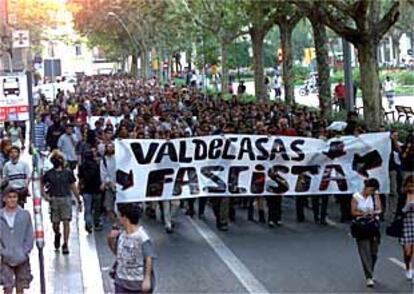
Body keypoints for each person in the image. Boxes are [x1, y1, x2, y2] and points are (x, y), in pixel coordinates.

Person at [107, 203, 156, 294]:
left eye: (119, 217)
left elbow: (149, 258)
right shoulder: (121, 235)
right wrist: (110, 240)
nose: (118, 220)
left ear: (125, 218)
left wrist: (147, 279)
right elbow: (118, 255)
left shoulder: (142, 237)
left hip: (137, 282)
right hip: (121, 281)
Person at [41, 151, 82, 255]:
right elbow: (41, 183)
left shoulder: (68, 173)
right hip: (54, 199)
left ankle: (65, 243)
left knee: (66, 221)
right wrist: (45, 196)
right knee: (55, 223)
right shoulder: (49, 173)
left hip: (66, 198)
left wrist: (78, 199)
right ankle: (57, 234)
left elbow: (73, 186)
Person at [0, 187, 34, 294]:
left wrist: (25, 251)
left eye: (14, 197)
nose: (12, 200)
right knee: (7, 286)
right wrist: (2, 251)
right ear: (4, 199)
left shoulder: (24, 215)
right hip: (5, 257)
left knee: (21, 286)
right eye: (9, 197)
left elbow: (29, 235)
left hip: (22, 256)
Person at [351, 178, 382, 287]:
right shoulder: (356, 197)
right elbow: (353, 211)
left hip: (373, 226)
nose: (372, 192)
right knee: (365, 252)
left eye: (374, 190)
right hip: (361, 227)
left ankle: (370, 270)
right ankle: (368, 276)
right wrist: (363, 214)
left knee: (374, 252)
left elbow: (379, 209)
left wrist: (373, 212)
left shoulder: (374, 196)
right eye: (371, 189)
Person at [78, 150, 102, 233]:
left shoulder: (82, 166)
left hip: (86, 190)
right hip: (96, 189)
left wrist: (80, 187)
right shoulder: (96, 165)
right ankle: (96, 222)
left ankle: (88, 224)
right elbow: (100, 176)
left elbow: (80, 178)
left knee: (87, 208)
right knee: (97, 208)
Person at [399, 175, 414, 280]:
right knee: (407, 251)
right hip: (406, 223)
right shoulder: (403, 196)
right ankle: (408, 266)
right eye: (409, 186)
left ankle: (412, 269)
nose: (411, 188)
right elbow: (399, 211)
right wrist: (407, 207)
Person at [100, 143, 117, 226]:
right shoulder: (104, 160)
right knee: (108, 207)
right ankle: (114, 224)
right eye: (108, 147)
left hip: (119, 187)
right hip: (109, 186)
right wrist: (109, 182)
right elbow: (103, 173)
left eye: (112, 147)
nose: (110, 149)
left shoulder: (118, 158)